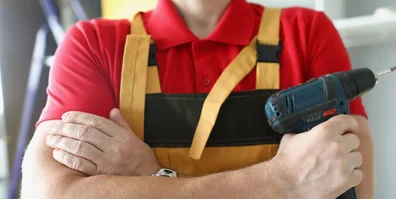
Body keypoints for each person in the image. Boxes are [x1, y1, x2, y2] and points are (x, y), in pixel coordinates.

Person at [21, 0, 375, 198]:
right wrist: (281, 180)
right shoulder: (93, 46)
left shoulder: (307, 34)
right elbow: (51, 195)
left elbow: (347, 184)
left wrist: (149, 177)